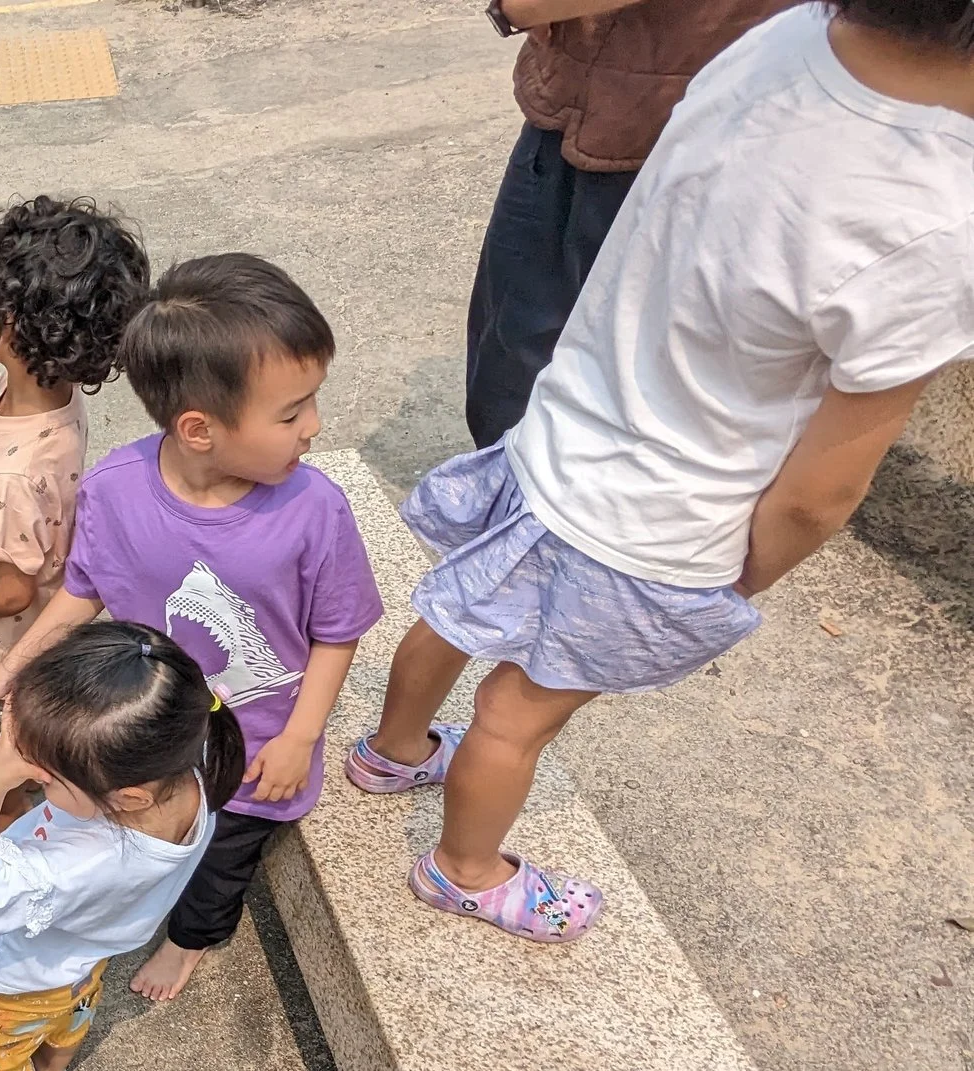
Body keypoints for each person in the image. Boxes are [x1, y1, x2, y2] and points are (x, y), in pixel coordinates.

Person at [351, 0, 974, 941]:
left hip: (560, 426)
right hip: (665, 515)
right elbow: (819, 495)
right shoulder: (938, 221)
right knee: (518, 714)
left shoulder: (786, 38)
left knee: (455, 607)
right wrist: (734, 576)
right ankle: (465, 871)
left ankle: (391, 752)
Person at [0, 255, 382, 1001]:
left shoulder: (314, 511)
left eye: (311, 403)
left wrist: (300, 736)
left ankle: (191, 941)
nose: (313, 428)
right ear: (198, 429)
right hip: (156, 735)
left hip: (257, 750)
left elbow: (337, 631)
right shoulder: (116, 492)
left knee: (223, 861)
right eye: (291, 414)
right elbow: (82, 590)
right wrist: (12, 669)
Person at [0, 623, 233, 1071]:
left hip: (16, 983)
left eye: (46, 778)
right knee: (70, 1019)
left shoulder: (60, 868)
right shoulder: (189, 771)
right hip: (85, 961)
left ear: (126, 795)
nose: (35, 777)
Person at [465, 0, 797, 445]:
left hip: (678, 127)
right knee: (520, 356)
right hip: (595, 100)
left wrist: (518, 9)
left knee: (557, 361)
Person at [0, 195, 150, 791]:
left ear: (9, 325)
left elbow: (13, 589)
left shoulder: (20, 474)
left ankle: (6, 832)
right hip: (19, 621)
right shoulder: (45, 396)